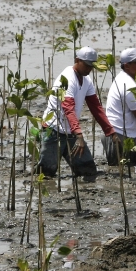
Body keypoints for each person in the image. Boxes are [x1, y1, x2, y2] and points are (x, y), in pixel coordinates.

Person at [38, 46, 116, 177]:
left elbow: (95, 107)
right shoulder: (67, 79)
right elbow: (68, 108)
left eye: (91, 66)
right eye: (86, 65)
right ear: (77, 60)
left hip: (71, 132)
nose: (89, 69)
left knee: (88, 171)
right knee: (46, 173)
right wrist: (79, 135)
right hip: (53, 130)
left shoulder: (87, 80)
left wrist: (110, 131)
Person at [103, 47, 136, 168]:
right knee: (122, 169)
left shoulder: (123, 78)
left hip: (125, 132)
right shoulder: (128, 85)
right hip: (119, 137)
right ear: (127, 66)